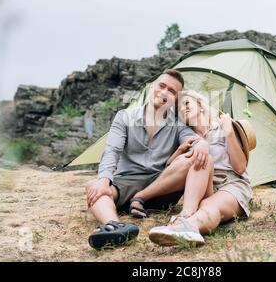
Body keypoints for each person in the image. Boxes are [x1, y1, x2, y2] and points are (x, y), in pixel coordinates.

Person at [85, 70, 209, 250]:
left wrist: (202, 144)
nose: (164, 92)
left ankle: (140, 198)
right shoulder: (124, 117)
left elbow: (194, 141)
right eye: (162, 85)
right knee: (93, 186)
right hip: (127, 182)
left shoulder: (178, 124)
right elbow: (112, 150)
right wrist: (104, 181)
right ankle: (114, 227)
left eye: (172, 91)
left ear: (175, 100)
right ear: (152, 87)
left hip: (161, 186)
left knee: (191, 159)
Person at [148, 90, 256, 246]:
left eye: (186, 103)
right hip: (204, 186)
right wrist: (179, 151)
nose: (183, 109)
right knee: (203, 158)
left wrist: (229, 132)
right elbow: (171, 172)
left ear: (200, 105)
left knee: (208, 205)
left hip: (231, 185)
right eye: (178, 110)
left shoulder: (221, 126)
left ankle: (190, 227)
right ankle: (185, 217)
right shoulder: (187, 137)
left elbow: (240, 167)